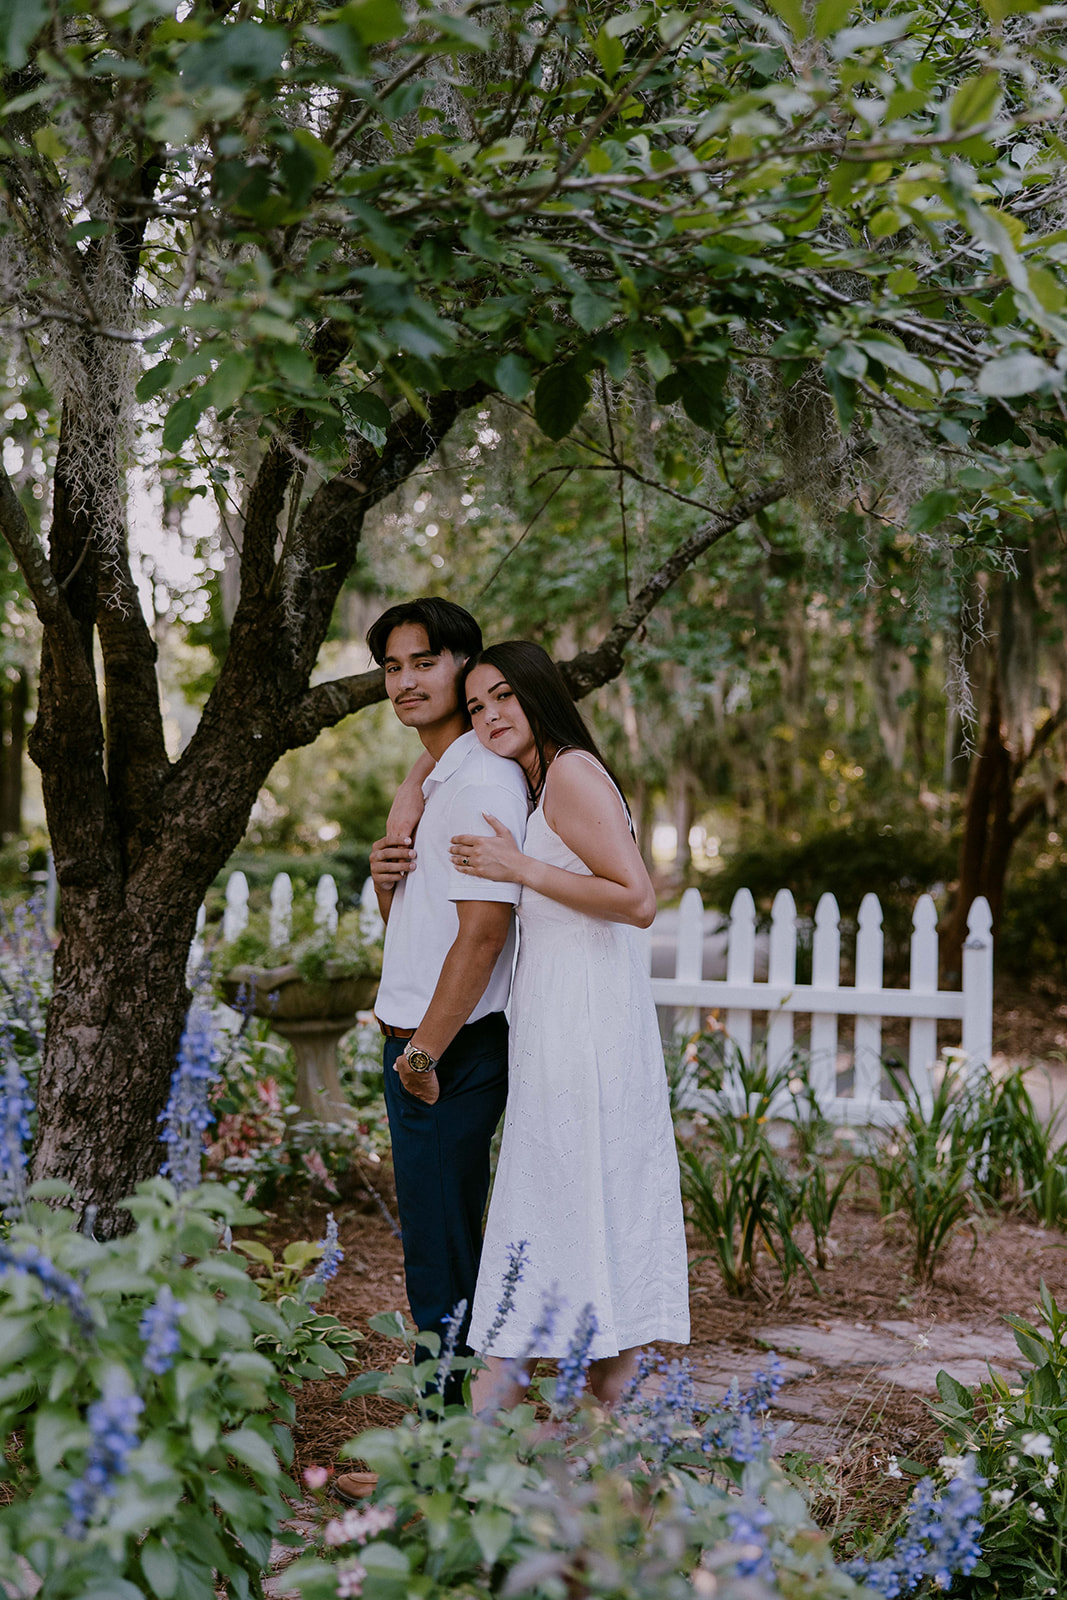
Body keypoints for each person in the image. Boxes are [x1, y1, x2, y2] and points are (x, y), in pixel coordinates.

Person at [450, 640, 690, 1411]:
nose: (488, 716)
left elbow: (636, 898)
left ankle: (493, 1440)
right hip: (564, 1021)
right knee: (580, 1200)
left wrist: (516, 867)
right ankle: (599, 1439)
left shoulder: (570, 774)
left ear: (537, 694)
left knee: (564, 1193)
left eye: (501, 698)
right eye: (476, 705)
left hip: (585, 1033)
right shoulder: (542, 781)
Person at [344, 600, 529, 1450]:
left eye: (423, 662)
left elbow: (484, 934)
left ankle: (443, 1454)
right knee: (437, 1247)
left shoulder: (480, 781)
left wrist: (422, 1053)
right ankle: (452, 1439)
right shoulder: (437, 780)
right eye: (391, 667)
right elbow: (422, 928)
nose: (405, 681)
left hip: (445, 1051)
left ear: (463, 666)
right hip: (426, 1044)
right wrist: (390, 874)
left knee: (441, 1257)